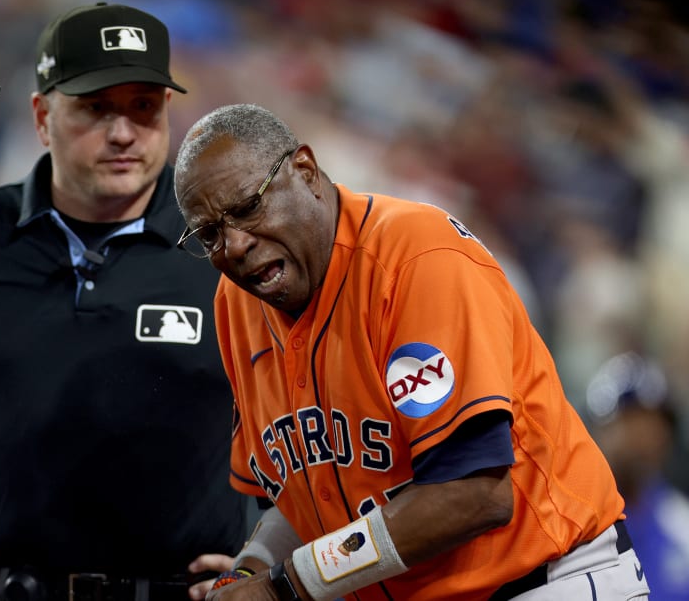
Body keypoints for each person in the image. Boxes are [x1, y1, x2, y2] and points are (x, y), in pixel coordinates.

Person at [171, 103, 650, 600]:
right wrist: (250, 571)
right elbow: (307, 496)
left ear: (307, 172)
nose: (235, 245)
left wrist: (287, 585)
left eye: (249, 207)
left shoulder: (417, 257)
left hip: (547, 581)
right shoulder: (237, 303)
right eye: (210, 234)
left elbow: (473, 494)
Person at [0, 2, 250, 601]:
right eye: (95, 108)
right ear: (42, 117)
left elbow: (314, 410)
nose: (123, 133)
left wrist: (275, 546)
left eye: (143, 107)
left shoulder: (230, 250)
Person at [586, 352, 689, 599]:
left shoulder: (681, 523)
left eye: (654, 425)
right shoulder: (575, 525)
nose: (644, 439)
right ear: (600, 431)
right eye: (630, 422)